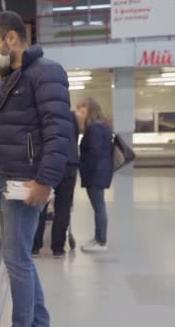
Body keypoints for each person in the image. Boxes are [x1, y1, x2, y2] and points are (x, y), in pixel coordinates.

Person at [0, 11, 72, 327]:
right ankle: (38, 321)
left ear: (11, 38)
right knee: (20, 261)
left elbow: (60, 133)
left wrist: (45, 182)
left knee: (17, 261)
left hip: (26, 180)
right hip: (9, 177)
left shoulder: (46, 72)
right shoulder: (12, 78)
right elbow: (6, 136)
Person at [32, 112, 79, 258]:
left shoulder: (40, 114)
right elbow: (75, 137)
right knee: (63, 206)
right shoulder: (71, 116)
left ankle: (35, 246)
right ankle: (58, 248)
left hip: (47, 163)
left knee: (41, 204)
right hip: (69, 163)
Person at [75, 97, 114, 253]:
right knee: (99, 207)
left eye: (82, 110)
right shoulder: (100, 126)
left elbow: (94, 151)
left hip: (95, 173)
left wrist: (82, 167)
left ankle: (101, 241)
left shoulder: (95, 128)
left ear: (90, 110)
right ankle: (98, 238)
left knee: (99, 207)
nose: (80, 114)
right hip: (99, 171)